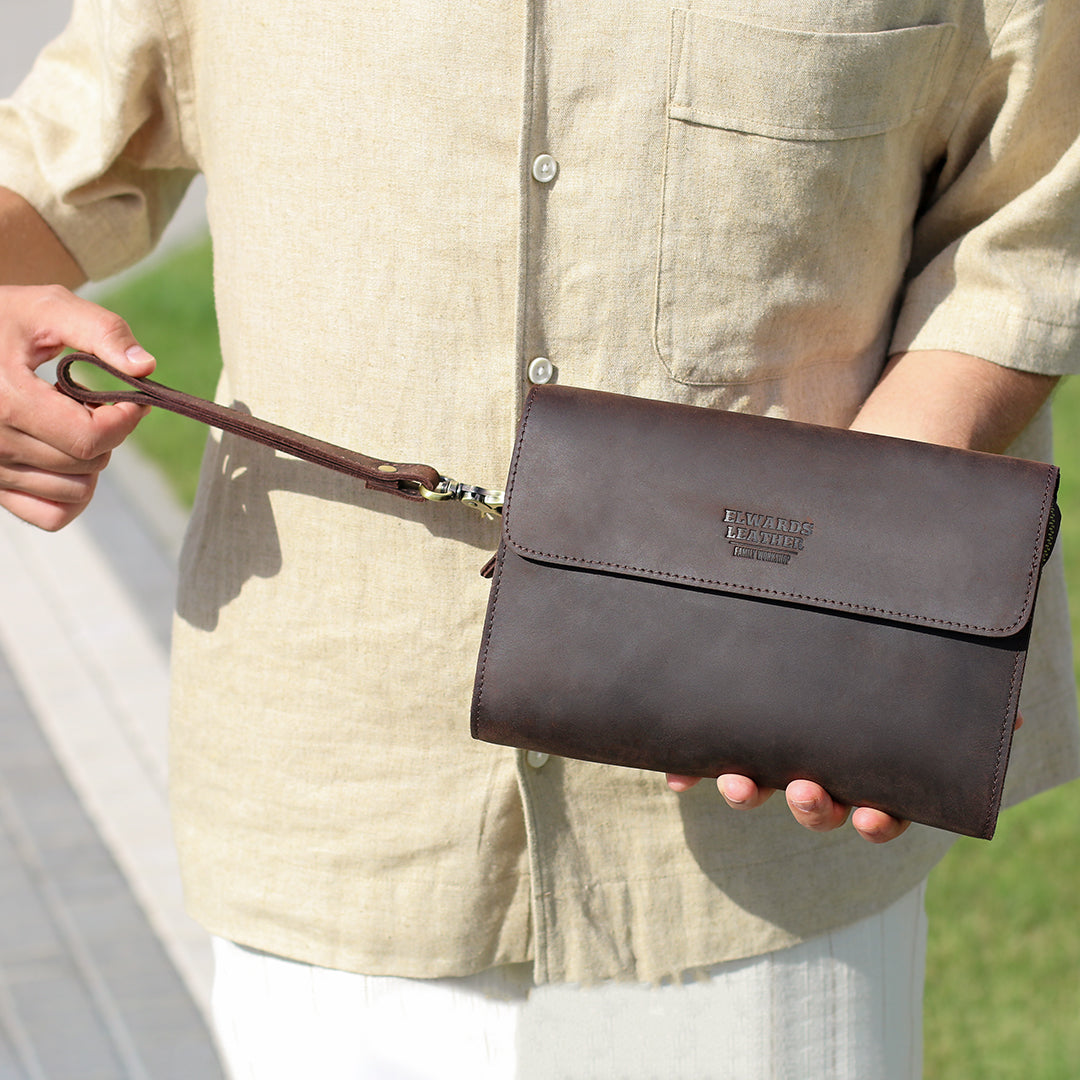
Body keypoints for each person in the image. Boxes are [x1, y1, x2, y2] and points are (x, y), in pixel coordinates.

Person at [2, 0, 1079, 1076]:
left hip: (766, 879)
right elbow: (72, 141)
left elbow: (1035, 204)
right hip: (337, 817)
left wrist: (859, 578)